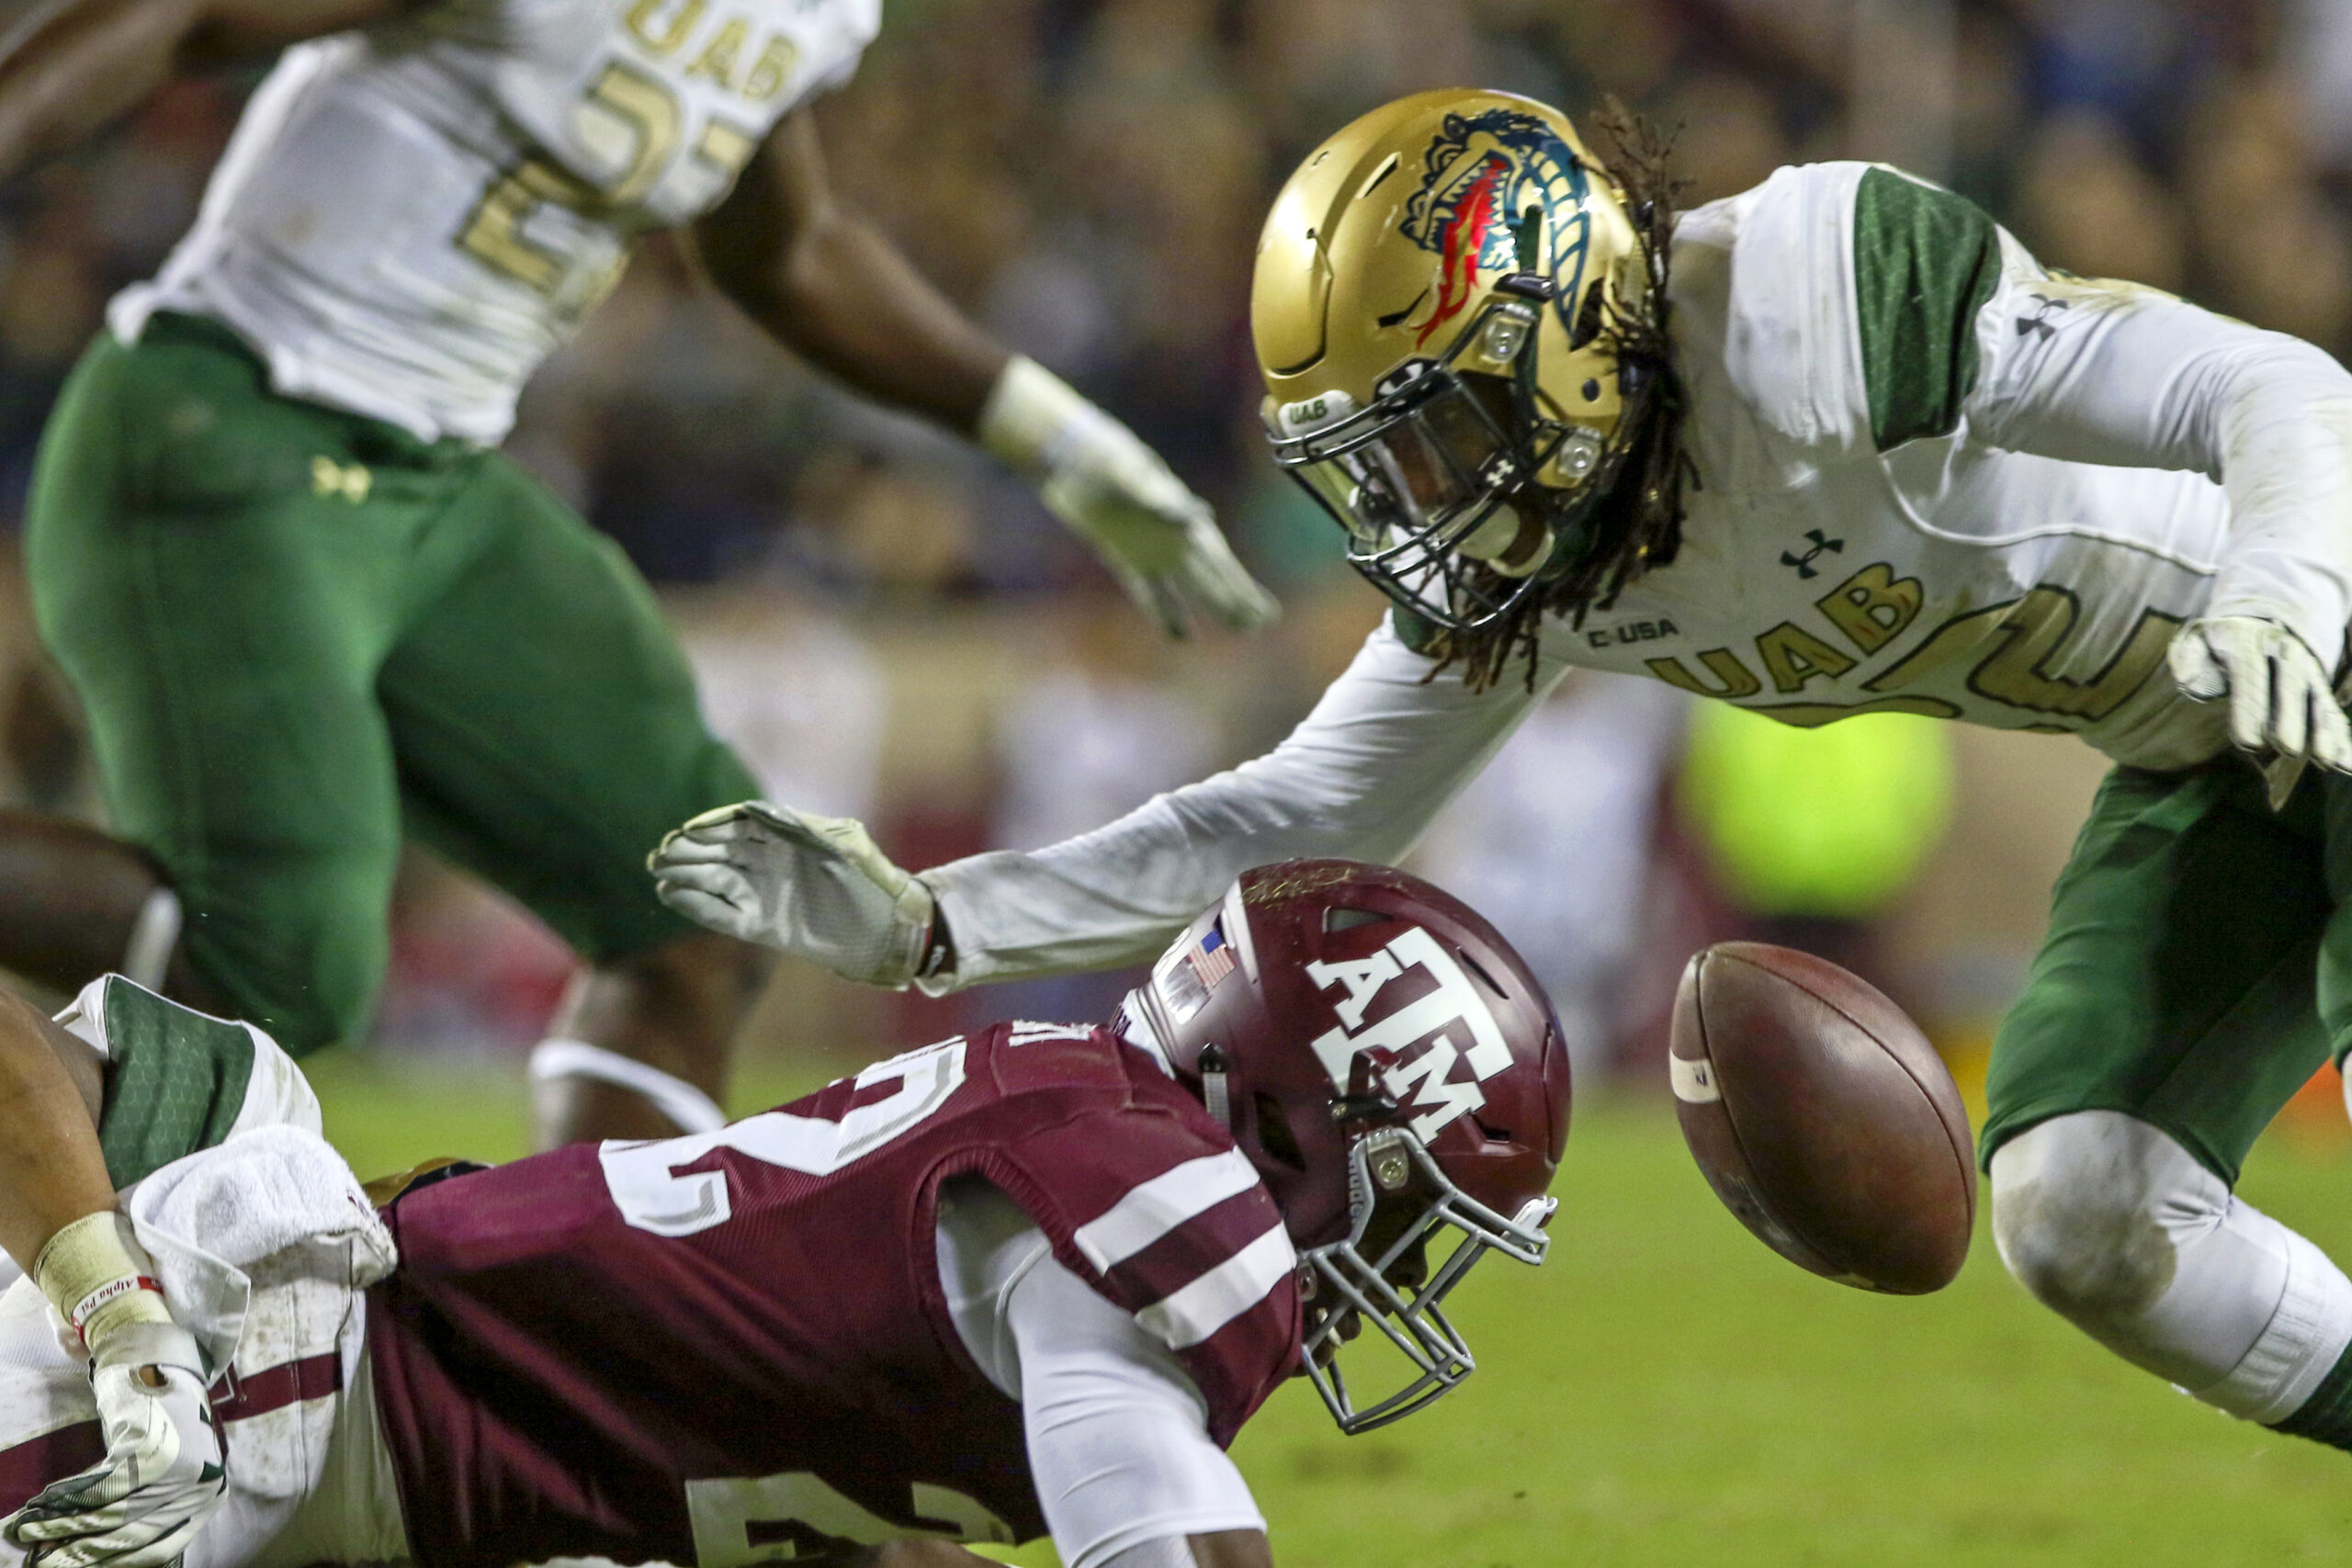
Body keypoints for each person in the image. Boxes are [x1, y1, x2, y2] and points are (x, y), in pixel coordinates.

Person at [651, 87, 2352, 1455]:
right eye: (1375, 460)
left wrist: (2280, 586)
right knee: (2087, 1216)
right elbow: (1301, 815)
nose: (1415, 500)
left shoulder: (1805, 303)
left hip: (2320, 634)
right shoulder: (1549, 554)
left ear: (1574, 333)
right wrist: (928, 925)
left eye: (1438, 430)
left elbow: (2275, 386)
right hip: (2220, 754)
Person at [0, 0, 1278, 1147]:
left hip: (439, 478)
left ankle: (571, 1328)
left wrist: (1052, 437)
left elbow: (785, 251)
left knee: (702, 909)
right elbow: (181, 16)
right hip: (234, 418)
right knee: (278, 959)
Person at [0, 859, 1566, 1568]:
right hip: (274, 1381)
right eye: (1415, 1210)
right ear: (1288, 1116)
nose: (1404, 1271)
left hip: (417, 1436)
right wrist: (131, 1332)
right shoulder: (1169, 1203)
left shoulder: (1074, 1118)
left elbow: (804, 1426)